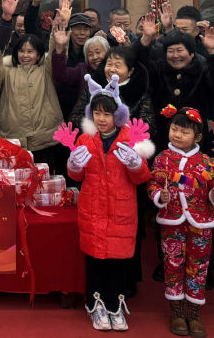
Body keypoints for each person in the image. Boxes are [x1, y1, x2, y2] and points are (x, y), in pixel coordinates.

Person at [67, 79, 153, 332]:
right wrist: (73, 166)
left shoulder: (130, 139)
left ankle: (115, 305)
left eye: (107, 113)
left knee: (118, 262)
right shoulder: (85, 139)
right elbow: (77, 176)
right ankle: (95, 305)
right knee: (94, 260)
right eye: (97, 113)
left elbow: (142, 177)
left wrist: (135, 165)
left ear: (118, 114)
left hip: (121, 211)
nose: (101, 119)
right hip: (93, 209)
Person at [148, 107, 214, 338]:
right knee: (172, 266)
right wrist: (158, 196)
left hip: (201, 224)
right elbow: (153, 184)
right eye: (174, 129)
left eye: (184, 132)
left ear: (198, 137)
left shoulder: (208, 162)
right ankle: (176, 313)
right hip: (171, 222)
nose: (178, 135)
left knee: (198, 268)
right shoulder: (161, 159)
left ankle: (194, 313)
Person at [135, 13, 214, 152]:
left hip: (197, 142)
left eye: (180, 50)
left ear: (192, 54)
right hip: (162, 141)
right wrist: (146, 39)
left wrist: (213, 52)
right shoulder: (158, 70)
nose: (175, 56)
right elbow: (138, 68)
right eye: (171, 51)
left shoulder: (202, 71)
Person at [0, 32, 63, 166]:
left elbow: (56, 57)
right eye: (21, 51)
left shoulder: (46, 71)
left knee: (44, 176)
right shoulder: (7, 72)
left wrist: (56, 39)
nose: (25, 55)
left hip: (44, 138)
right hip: (14, 137)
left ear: (39, 55)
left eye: (30, 51)